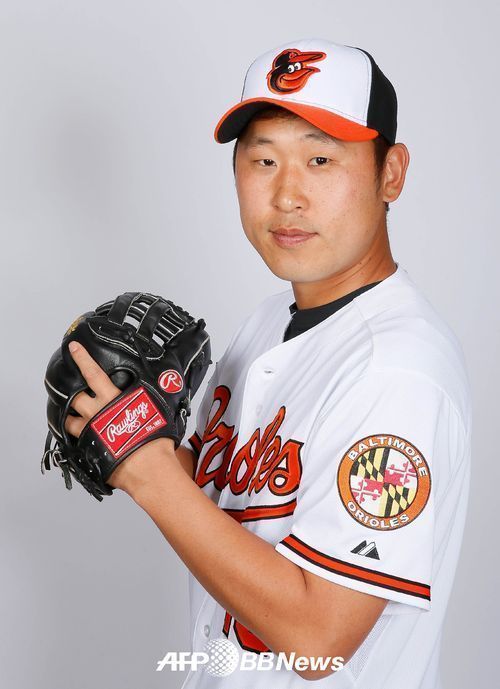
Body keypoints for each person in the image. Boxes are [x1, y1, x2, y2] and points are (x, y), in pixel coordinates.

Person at [65, 38, 472, 687]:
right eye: (263, 160)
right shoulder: (266, 323)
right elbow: (216, 496)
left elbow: (318, 638)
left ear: (390, 173)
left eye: (320, 159)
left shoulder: (397, 373)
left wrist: (150, 474)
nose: (287, 195)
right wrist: (124, 424)